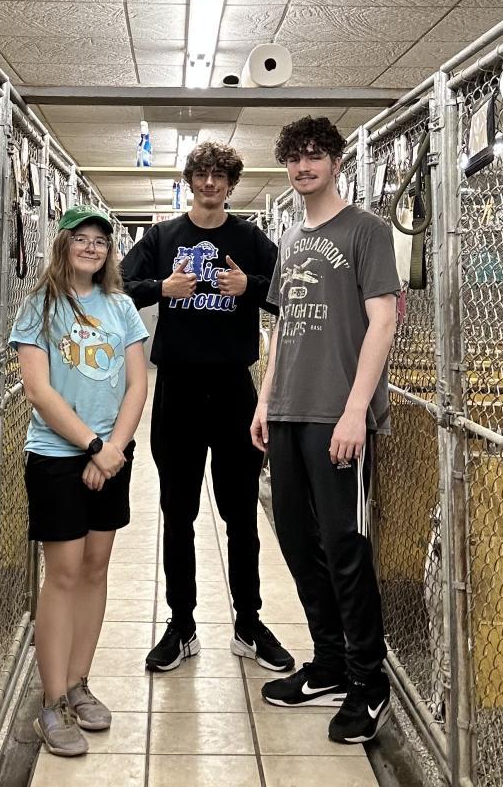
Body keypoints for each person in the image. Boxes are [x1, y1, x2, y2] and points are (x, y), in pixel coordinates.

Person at [252, 116, 399, 744]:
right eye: (294, 157)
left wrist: (355, 410)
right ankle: (330, 662)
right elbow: (283, 327)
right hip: (288, 411)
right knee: (294, 537)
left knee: (345, 546)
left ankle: (369, 681)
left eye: (315, 155)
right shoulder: (289, 237)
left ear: (337, 163)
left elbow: (383, 322)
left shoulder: (367, 230)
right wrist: (265, 400)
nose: (303, 166)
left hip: (338, 415)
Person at [121, 141, 293, 673]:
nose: (211, 182)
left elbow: (292, 292)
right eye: (202, 174)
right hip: (177, 389)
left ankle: (249, 622)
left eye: (221, 175)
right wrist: (163, 287)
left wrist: (249, 287)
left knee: (240, 514)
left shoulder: (250, 239)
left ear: (232, 184)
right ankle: (182, 625)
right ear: (190, 180)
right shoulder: (162, 237)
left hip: (233, 389)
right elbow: (118, 287)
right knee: (178, 513)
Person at [12, 206, 149, 757]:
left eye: (101, 241)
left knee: (95, 568)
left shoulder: (121, 307)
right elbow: (38, 390)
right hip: (58, 456)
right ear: (64, 245)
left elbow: (136, 385)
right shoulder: (40, 306)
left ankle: (77, 684)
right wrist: (93, 446)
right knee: (64, 574)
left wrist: (113, 449)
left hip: (111, 455)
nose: (92, 248)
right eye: (82, 239)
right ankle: (50, 703)